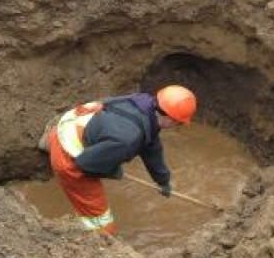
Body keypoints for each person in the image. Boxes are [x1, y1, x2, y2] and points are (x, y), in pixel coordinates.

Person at [40, 85, 197, 236]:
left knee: (98, 145)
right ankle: (101, 241)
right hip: (69, 156)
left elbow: (152, 149)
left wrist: (163, 180)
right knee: (101, 222)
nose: (177, 126)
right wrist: (113, 171)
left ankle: (50, 140)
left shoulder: (143, 103)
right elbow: (85, 164)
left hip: (73, 121)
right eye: (179, 123)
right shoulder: (127, 139)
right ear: (170, 119)